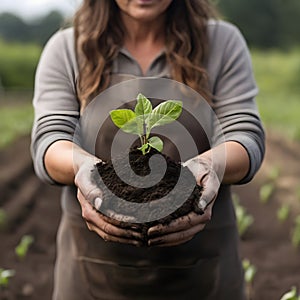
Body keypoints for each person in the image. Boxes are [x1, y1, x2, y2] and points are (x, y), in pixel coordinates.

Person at [31, 0, 265, 299]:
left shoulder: (221, 42)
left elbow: (245, 136)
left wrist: (212, 164)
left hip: (202, 270)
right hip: (95, 271)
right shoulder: (67, 48)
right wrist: (82, 167)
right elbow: (50, 140)